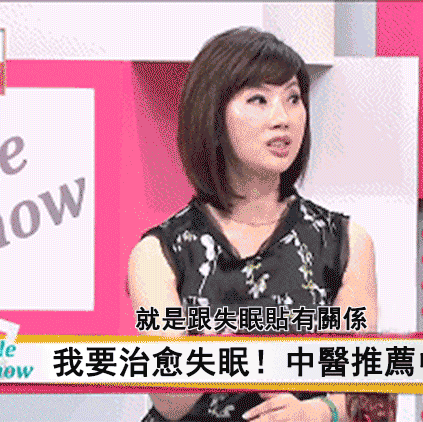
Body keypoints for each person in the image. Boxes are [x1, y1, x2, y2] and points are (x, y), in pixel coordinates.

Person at [128, 27, 384, 422]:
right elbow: (168, 402)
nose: (282, 119)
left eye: (293, 99)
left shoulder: (344, 242)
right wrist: (213, 353)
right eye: (258, 100)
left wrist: (316, 413)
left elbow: (365, 392)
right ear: (213, 116)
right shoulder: (159, 253)